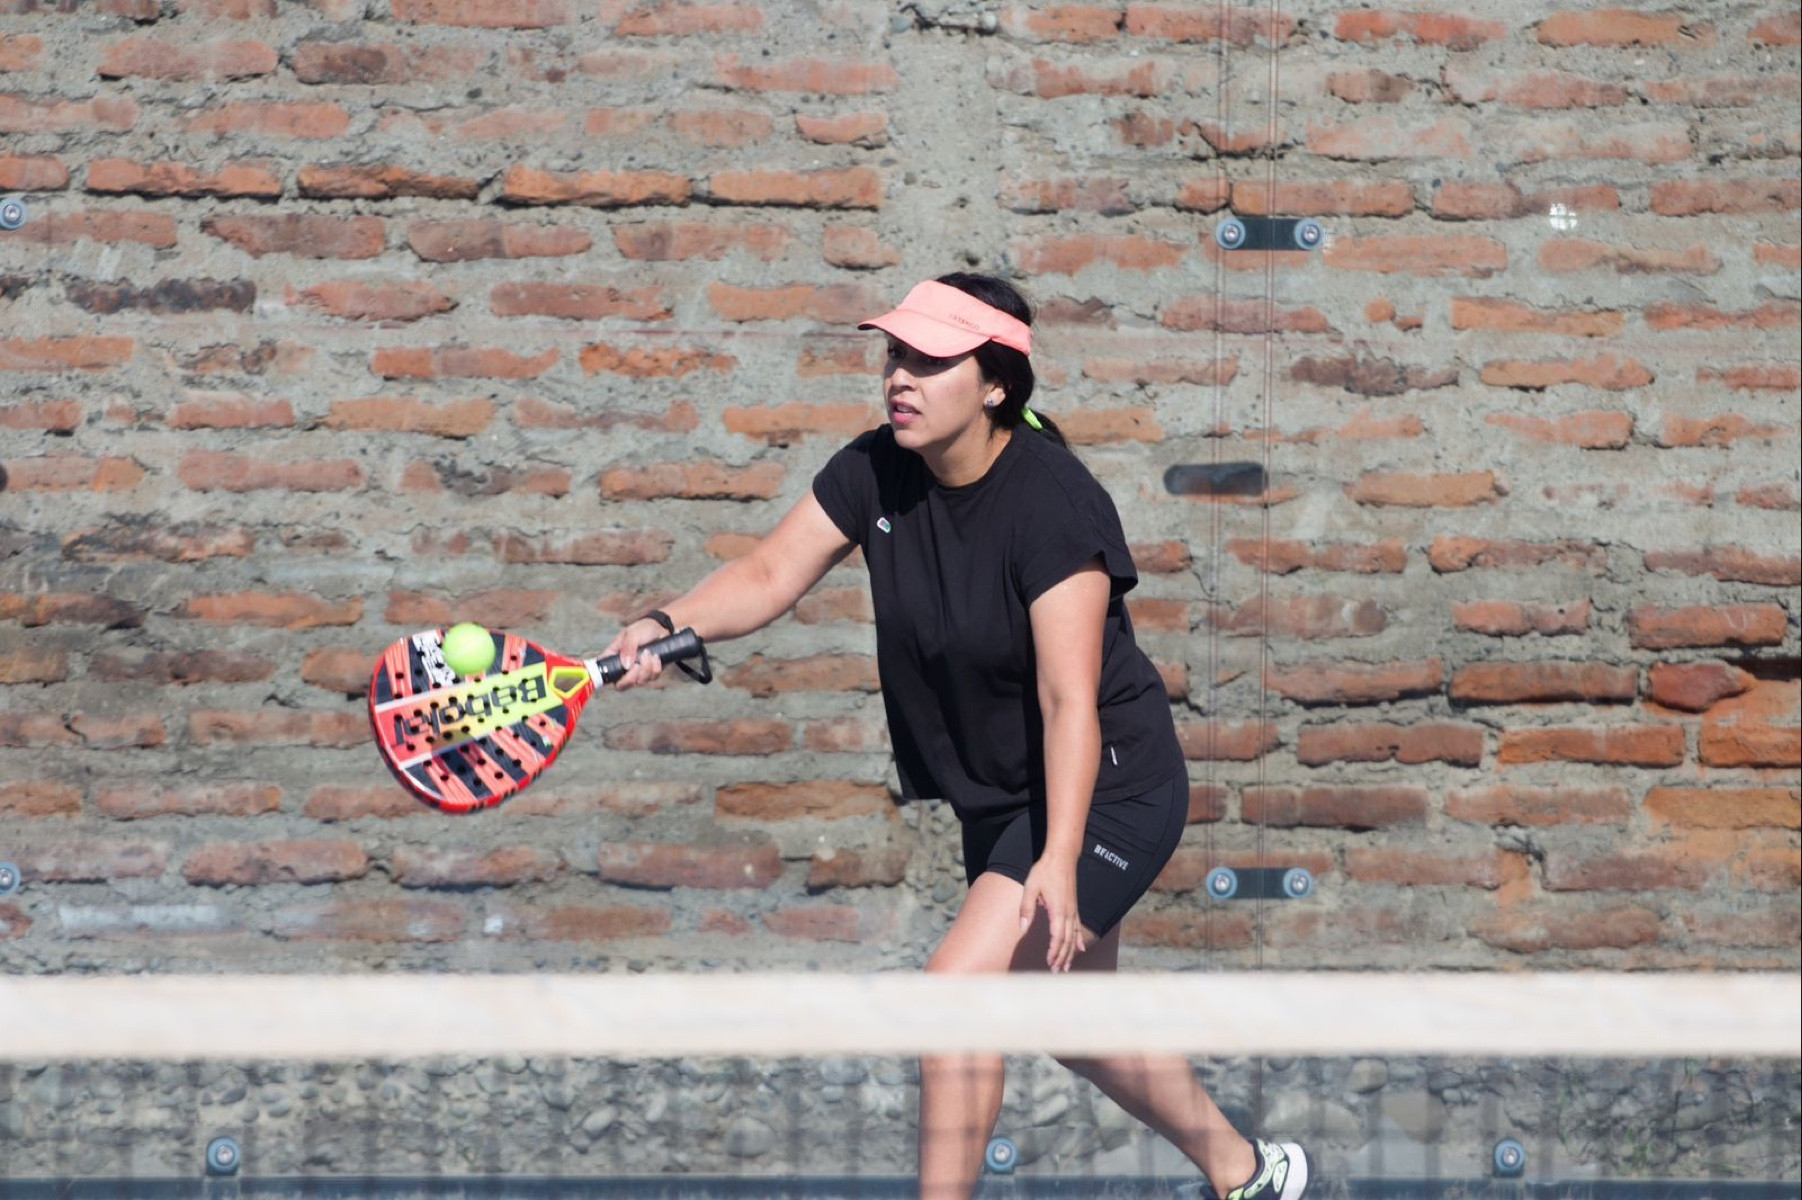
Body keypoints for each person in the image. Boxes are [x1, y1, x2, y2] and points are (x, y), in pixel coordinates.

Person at [603, 273, 1311, 1200]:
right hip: (1006, 795)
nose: (900, 375)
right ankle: (1248, 1174)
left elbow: (1069, 700)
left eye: (931, 360)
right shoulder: (874, 470)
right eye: (896, 353)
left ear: (994, 385)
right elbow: (771, 571)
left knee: (954, 1000)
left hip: (1106, 786)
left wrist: (1059, 859)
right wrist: (665, 623)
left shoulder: (1054, 504)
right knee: (1071, 1021)